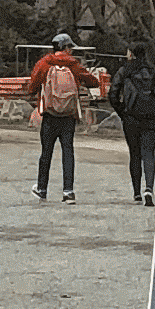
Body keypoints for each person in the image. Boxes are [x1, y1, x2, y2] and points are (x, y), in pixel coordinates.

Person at [23, 31, 101, 204]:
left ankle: (42, 189)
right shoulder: (74, 65)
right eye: (70, 47)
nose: (71, 51)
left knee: (46, 152)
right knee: (68, 152)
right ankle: (68, 192)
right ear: (65, 48)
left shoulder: (44, 63)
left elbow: (32, 86)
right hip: (69, 115)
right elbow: (93, 82)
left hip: (50, 114)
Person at [110, 39, 155, 203]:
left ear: (132, 54)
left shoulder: (124, 71)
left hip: (131, 118)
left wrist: (122, 111)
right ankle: (149, 189)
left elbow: (112, 94)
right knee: (149, 153)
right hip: (153, 118)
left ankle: (136, 192)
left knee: (134, 154)